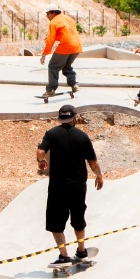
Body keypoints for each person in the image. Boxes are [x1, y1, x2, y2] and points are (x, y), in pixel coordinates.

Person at [36, 104, 104, 265]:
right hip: (78, 185)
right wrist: (99, 176)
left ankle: (64, 255)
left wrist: (41, 161)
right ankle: (81, 251)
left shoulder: (51, 134)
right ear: (74, 118)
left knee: (56, 222)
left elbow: (40, 151)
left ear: (60, 118)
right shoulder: (82, 136)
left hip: (58, 187)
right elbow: (93, 162)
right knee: (78, 218)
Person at [39, 3, 82, 99]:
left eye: (48, 14)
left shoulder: (53, 22)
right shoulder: (68, 18)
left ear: (53, 12)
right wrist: (54, 38)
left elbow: (50, 41)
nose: (47, 16)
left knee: (53, 66)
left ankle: (50, 90)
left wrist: (44, 53)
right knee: (66, 66)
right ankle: (74, 85)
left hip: (66, 46)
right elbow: (67, 33)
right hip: (77, 46)